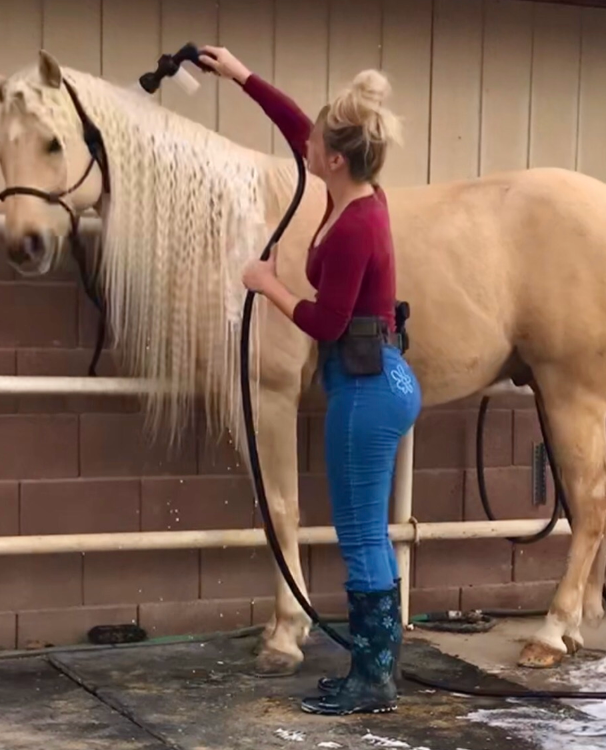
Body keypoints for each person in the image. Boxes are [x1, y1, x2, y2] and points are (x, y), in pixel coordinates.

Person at [198, 45, 422, 716]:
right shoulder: (353, 190)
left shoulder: (356, 226)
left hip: (365, 389)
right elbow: (297, 122)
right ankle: (370, 671)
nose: (307, 145)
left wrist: (268, 284)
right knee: (366, 534)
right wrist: (239, 75)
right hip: (374, 378)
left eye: (317, 144)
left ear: (333, 159)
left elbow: (326, 323)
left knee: (360, 536)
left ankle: (374, 678)